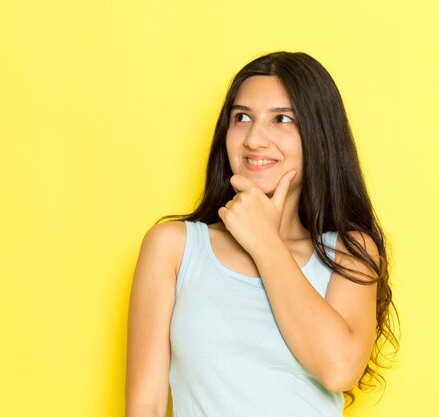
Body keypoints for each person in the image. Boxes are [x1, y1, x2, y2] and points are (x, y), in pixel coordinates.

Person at [125, 51, 398, 417]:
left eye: (282, 119)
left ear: (318, 137)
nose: (254, 139)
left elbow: (339, 368)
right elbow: (146, 404)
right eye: (242, 118)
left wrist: (265, 243)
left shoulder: (349, 251)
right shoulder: (173, 247)